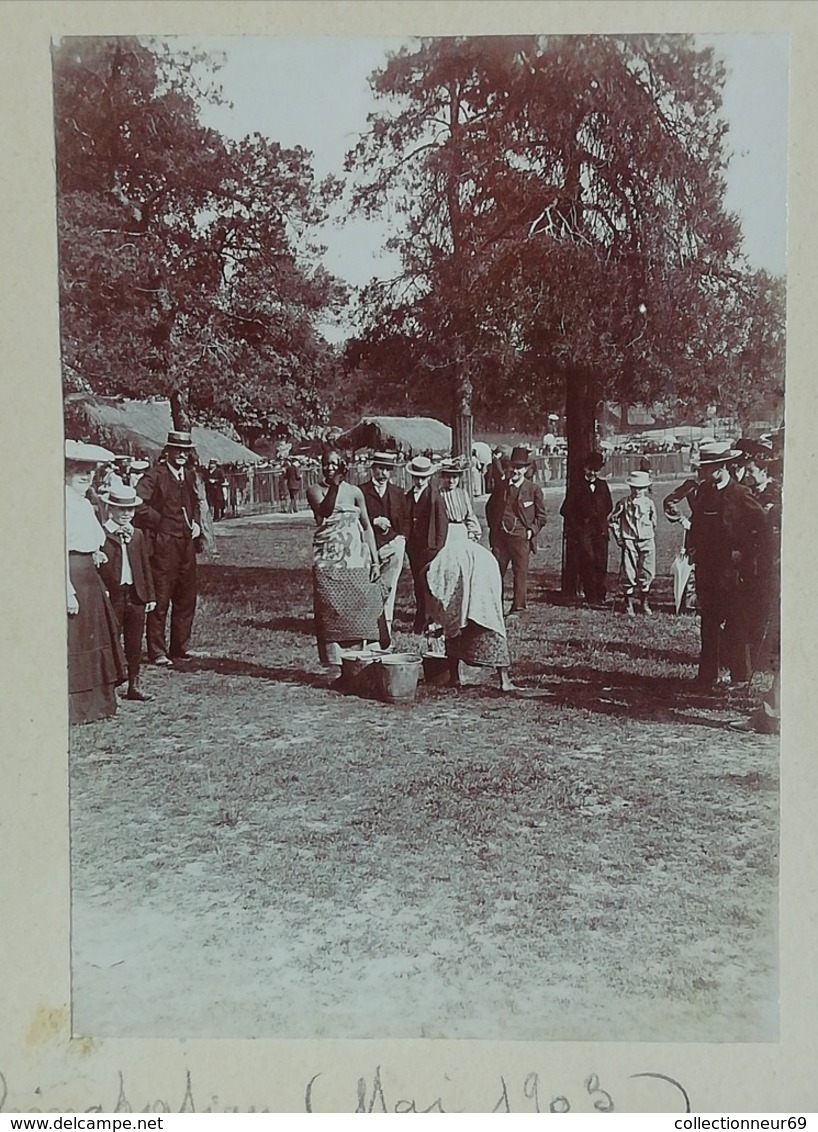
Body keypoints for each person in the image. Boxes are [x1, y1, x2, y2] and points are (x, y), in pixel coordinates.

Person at [426, 459, 517, 693]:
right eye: (448, 476)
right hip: (446, 547)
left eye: (455, 476)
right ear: (441, 477)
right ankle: (455, 672)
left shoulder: (463, 495)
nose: (452, 480)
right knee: (453, 604)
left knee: (481, 597)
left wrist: (473, 532)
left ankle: (503, 676)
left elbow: (471, 519)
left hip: (465, 544)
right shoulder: (435, 496)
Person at [685, 445, 769, 690]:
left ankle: (740, 677)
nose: (704, 473)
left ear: (721, 468)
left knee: (736, 623)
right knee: (708, 623)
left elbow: (762, 529)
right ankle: (707, 676)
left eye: (708, 468)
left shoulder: (741, 494)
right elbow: (696, 526)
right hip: (707, 571)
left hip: (733, 573)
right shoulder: (704, 493)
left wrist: (745, 553)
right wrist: (693, 550)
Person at [64, 439, 127, 724]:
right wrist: (67, 592)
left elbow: (91, 539)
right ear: (66, 473)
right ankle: (78, 707)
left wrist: (97, 552)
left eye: (89, 472)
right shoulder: (61, 504)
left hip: (90, 575)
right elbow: (59, 549)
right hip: (72, 575)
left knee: (99, 633)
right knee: (77, 638)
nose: (85, 477)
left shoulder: (86, 504)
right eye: (79, 471)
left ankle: (100, 703)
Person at [306, 447, 383, 672]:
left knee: (359, 606)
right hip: (328, 559)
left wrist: (374, 560)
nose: (330, 468)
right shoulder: (314, 490)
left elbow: (367, 527)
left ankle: (360, 657)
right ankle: (334, 661)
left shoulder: (356, 493)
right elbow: (326, 511)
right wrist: (336, 485)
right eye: (326, 463)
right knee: (331, 608)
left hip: (355, 558)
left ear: (344, 466)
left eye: (335, 463)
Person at [135, 430, 203, 666]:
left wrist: (195, 523)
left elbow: (193, 504)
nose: (182, 454)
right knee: (161, 598)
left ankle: (180, 648)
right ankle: (157, 651)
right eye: (177, 450)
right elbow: (137, 505)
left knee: (186, 597)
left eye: (185, 451)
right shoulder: (155, 476)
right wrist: (159, 522)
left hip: (186, 544)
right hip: (163, 546)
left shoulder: (189, 476)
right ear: (168, 451)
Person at [98, 483, 157, 702]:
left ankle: (135, 683)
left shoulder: (138, 535)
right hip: (113, 595)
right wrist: (102, 590)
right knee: (113, 639)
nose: (126, 514)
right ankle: (111, 686)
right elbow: (98, 568)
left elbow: (144, 566)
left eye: (130, 510)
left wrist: (149, 595)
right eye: (121, 509)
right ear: (111, 509)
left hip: (136, 595)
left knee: (134, 642)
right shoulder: (102, 534)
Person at [485, 446, 546, 615]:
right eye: (514, 467)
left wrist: (530, 532)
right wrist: (494, 528)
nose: (516, 471)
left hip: (521, 537)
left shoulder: (533, 489)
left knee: (520, 573)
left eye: (520, 468)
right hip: (500, 537)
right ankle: (495, 606)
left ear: (526, 469)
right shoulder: (501, 487)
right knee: (497, 572)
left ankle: (518, 608)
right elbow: (490, 507)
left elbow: (542, 517)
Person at [359, 451, 409, 649]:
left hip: (393, 545)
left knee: (389, 587)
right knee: (368, 587)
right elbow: (356, 518)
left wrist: (401, 537)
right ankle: (366, 630)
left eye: (388, 469)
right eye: (381, 468)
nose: (384, 473)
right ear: (373, 468)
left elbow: (405, 518)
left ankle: (385, 630)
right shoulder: (361, 491)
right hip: (368, 547)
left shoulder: (397, 492)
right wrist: (373, 521)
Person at [559, 451, 613, 607]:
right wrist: (579, 524)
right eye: (590, 469)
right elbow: (565, 510)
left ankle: (600, 593)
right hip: (584, 530)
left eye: (596, 470)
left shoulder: (602, 485)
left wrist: (600, 516)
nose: (593, 473)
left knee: (601, 561)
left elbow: (609, 505)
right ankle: (590, 595)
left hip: (600, 530)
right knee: (587, 561)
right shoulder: (576, 486)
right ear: (584, 468)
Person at [404, 455, 449, 634]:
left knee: (429, 584)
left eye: (423, 477)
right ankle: (421, 616)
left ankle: (429, 620)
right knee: (418, 582)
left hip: (430, 546)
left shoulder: (434, 497)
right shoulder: (408, 496)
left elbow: (442, 524)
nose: (419, 481)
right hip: (414, 547)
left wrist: (438, 547)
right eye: (416, 477)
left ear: (429, 477)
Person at [609, 469, 658, 615]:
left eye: (641, 488)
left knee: (648, 571)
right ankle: (628, 603)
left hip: (647, 540)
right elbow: (612, 520)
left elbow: (653, 522)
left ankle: (644, 602)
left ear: (646, 488)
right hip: (629, 541)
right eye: (634, 488)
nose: (637, 491)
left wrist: (647, 534)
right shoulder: (623, 503)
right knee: (629, 573)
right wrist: (619, 537)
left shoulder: (649, 503)